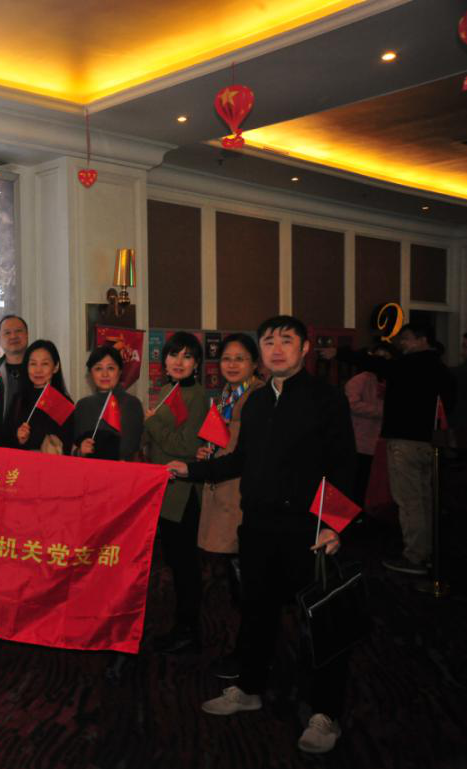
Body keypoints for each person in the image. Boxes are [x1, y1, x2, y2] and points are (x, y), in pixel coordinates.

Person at [170, 315, 357, 755]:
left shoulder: (326, 398)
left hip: (308, 530)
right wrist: (191, 470)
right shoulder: (255, 402)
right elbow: (241, 461)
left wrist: (334, 524)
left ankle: (325, 713)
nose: (276, 348)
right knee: (256, 614)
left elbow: (345, 464)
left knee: (320, 624)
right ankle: (250, 688)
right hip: (256, 526)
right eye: (268, 341)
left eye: (286, 341)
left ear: (305, 348)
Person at [328, 322, 456, 574]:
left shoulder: (410, 365)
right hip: (430, 441)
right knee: (425, 498)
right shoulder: (441, 369)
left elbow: (377, 364)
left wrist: (340, 353)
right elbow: (449, 404)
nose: (401, 344)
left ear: (422, 339)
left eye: (406, 338)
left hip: (405, 441)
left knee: (409, 501)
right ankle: (428, 550)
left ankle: (415, 556)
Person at [194, 333, 264, 679]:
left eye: (240, 358)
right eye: (226, 359)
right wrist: (206, 451)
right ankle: (240, 642)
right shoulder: (226, 394)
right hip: (221, 487)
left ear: (254, 363)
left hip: (242, 493)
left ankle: (250, 654)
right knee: (232, 572)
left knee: (246, 577)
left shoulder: (259, 397)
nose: (232, 365)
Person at [143, 331, 210, 654]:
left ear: (197, 363)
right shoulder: (166, 390)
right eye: (173, 355)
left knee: (185, 566)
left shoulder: (197, 395)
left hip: (182, 494)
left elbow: (186, 447)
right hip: (163, 490)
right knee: (173, 560)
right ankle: (182, 624)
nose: (179, 362)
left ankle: (188, 630)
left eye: (187, 356)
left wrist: (152, 423)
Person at [72, 345, 144, 461]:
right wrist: (80, 452)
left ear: (120, 371)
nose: (104, 374)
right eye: (98, 368)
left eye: (110, 368)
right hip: (88, 470)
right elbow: (74, 448)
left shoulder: (131, 404)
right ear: (90, 373)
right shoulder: (82, 406)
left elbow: (132, 448)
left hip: (121, 469)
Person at [343, 342, 392, 507]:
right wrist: (381, 411)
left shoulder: (387, 380)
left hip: (378, 441)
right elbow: (351, 404)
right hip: (361, 441)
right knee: (360, 483)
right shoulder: (360, 380)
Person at [5, 340, 75, 454]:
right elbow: (5, 442)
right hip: (21, 463)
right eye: (33, 364)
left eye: (45, 364)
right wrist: (19, 439)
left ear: (56, 367)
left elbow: (69, 445)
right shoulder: (18, 399)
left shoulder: (63, 403)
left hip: (51, 464)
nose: (38, 370)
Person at [0, 315, 29, 423]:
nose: (13, 336)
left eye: (18, 331)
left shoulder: (40, 369)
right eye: (7, 333)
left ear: (27, 335)